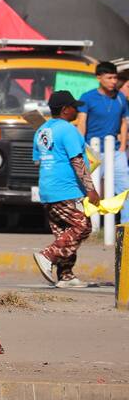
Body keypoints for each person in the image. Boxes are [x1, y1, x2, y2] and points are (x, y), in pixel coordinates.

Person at [32, 91, 100, 288]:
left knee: (65, 233)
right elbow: (77, 160)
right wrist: (90, 189)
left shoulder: (42, 130)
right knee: (82, 227)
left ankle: (66, 275)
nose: (77, 111)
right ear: (65, 110)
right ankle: (47, 255)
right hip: (67, 190)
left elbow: (37, 161)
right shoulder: (68, 130)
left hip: (47, 189)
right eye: (74, 107)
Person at [76, 60, 129, 226]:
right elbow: (82, 123)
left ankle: (126, 227)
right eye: (109, 78)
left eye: (115, 78)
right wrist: (81, 147)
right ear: (99, 77)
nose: (113, 81)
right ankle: (88, 227)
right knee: (90, 189)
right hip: (93, 150)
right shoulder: (87, 97)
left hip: (116, 151)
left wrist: (123, 146)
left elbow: (124, 122)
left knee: (125, 188)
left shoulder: (120, 98)